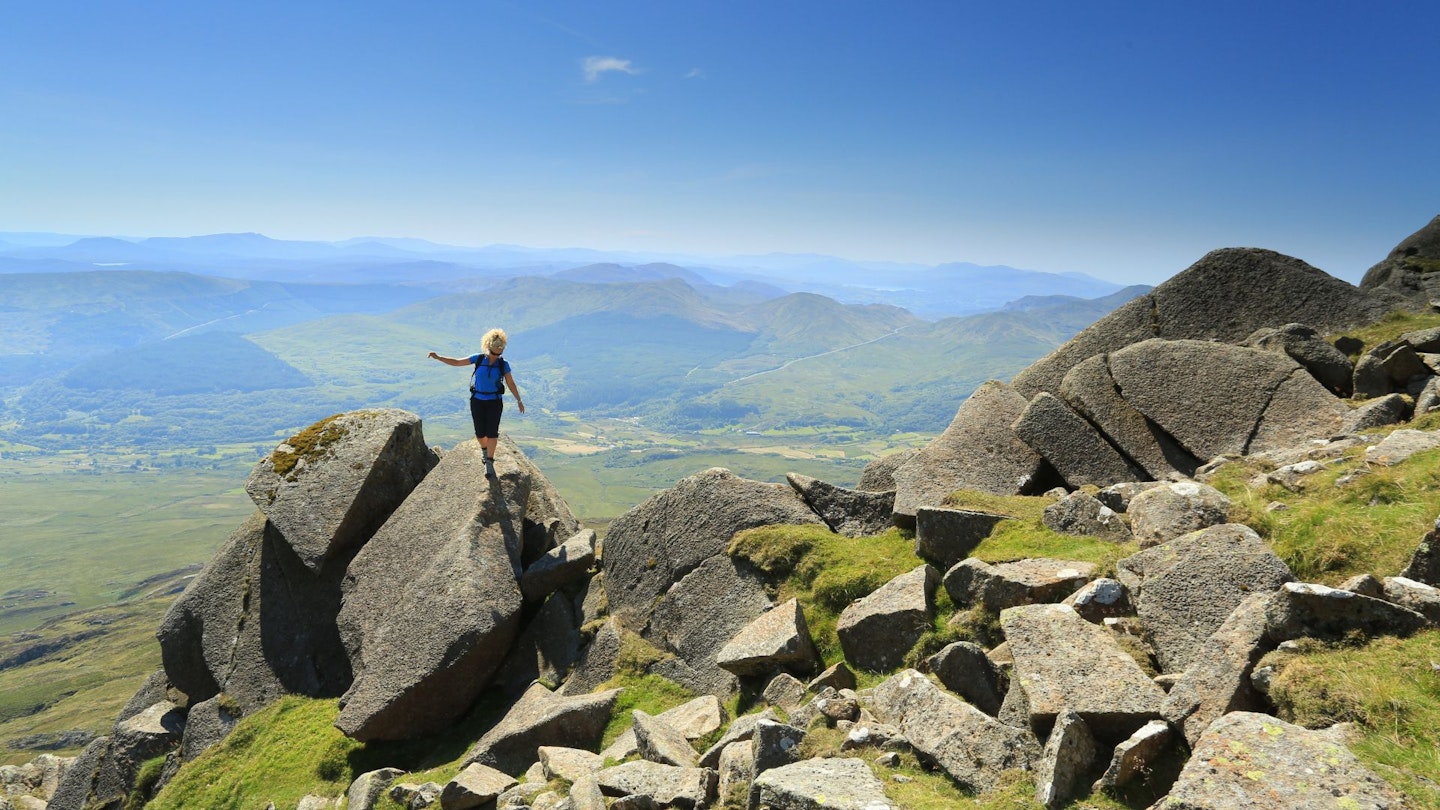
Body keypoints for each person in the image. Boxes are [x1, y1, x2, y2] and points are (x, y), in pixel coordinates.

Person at [428, 328, 525, 479]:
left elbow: (511, 383)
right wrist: (439, 357)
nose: (496, 356)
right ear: (488, 348)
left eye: (499, 353)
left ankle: (489, 461)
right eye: (494, 353)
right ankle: (485, 450)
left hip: (494, 401)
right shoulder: (478, 359)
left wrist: (519, 400)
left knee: (492, 432)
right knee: (480, 433)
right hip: (477, 400)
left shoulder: (503, 365)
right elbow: (457, 362)